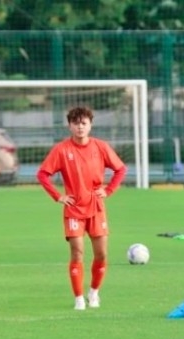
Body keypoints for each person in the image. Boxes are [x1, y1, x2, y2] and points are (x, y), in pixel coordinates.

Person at [37, 106, 127, 310]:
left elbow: (120, 169)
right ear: (69, 126)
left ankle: (94, 292)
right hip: (74, 209)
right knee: (77, 252)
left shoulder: (101, 147)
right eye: (76, 123)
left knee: (101, 254)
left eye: (84, 123)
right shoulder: (61, 150)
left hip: (96, 207)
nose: (80, 127)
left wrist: (109, 190)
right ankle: (78, 297)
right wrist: (58, 196)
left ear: (90, 125)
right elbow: (43, 174)